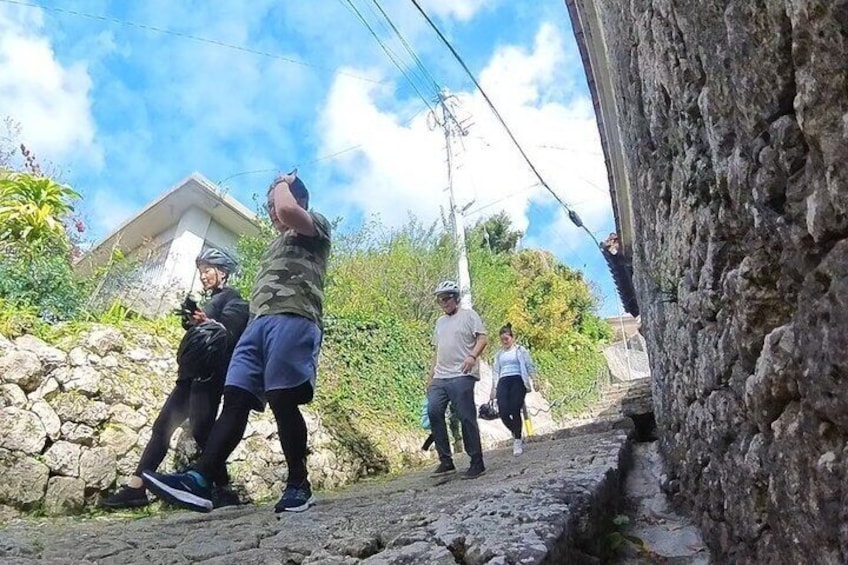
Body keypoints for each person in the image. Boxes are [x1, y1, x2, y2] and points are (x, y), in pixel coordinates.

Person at [142, 170, 331, 514]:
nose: (274, 210)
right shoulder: (275, 243)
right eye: (270, 205)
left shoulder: (314, 224)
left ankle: (298, 484)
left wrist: (281, 185)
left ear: (299, 199)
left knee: (282, 397)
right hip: (257, 327)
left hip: (294, 317)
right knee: (236, 398)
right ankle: (201, 480)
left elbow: (289, 212)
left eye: (276, 203)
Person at [99, 249, 249, 509]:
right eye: (201, 271)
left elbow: (230, 331)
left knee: (203, 432)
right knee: (162, 427)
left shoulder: (234, 299)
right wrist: (194, 321)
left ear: (222, 272)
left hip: (209, 377)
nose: (203, 276)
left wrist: (208, 320)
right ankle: (137, 488)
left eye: (208, 270)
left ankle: (223, 489)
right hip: (189, 375)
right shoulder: (209, 299)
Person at [426, 280, 488, 479]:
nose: (443, 302)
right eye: (440, 299)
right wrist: (431, 376)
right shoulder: (439, 322)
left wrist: (472, 356)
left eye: (447, 298)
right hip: (441, 375)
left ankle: (476, 462)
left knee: (465, 416)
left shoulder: (469, 316)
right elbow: (438, 350)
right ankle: (446, 461)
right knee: (434, 410)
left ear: (456, 298)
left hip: (462, 374)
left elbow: (482, 338)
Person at [490, 323, 537, 456]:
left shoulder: (520, 351)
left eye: (507, 339)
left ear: (512, 338)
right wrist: (493, 388)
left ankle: (517, 440)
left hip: (518, 379)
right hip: (503, 380)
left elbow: (529, 365)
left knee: (515, 408)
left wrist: (535, 379)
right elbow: (495, 371)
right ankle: (516, 431)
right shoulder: (499, 355)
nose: (504, 342)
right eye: (502, 340)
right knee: (503, 411)